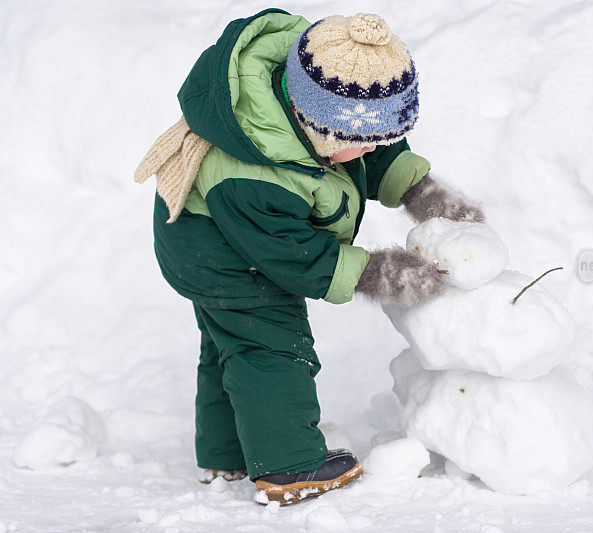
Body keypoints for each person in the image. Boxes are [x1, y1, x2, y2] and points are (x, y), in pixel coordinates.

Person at [134, 8, 484, 505]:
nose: (372, 151)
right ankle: (289, 467)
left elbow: (371, 146)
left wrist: (418, 190)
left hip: (224, 239)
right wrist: (378, 272)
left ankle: (227, 453)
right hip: (222, 256)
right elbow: (296, 255)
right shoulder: (254, 173)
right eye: (362, 142)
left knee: (229, 346)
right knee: (270, 348)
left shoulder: (320, 110)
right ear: (321, 127)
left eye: (379, 140)